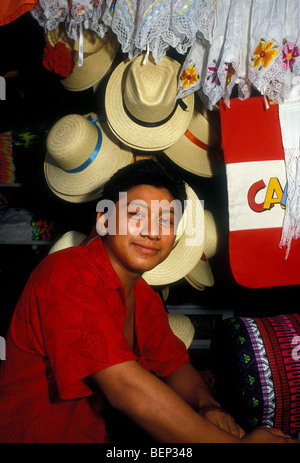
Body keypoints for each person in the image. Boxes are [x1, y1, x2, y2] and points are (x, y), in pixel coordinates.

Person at [0, 160, 297, 443]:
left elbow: (174, 364)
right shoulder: (67, 274)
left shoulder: (143, 295)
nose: (152, 232)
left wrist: (208, 404)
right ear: (103, 219)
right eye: (136, 215)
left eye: (166, 221)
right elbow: (125, 388)